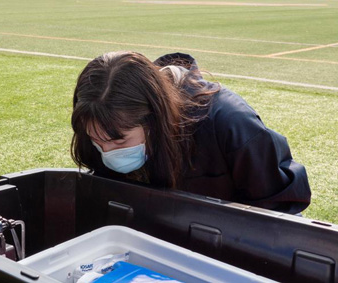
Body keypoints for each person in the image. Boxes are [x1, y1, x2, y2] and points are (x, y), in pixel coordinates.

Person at [70, 51, 311, 215]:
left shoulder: (231, 123)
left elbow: (279, 212)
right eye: (96, 141)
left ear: (155, 119)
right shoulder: (100, 117)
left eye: (118, 141)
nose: (107, 153)